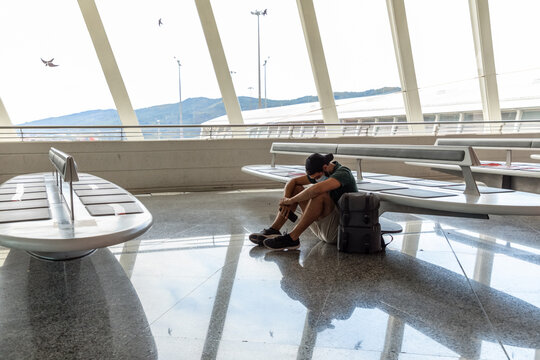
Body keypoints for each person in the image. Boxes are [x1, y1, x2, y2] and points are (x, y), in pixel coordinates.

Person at [249, 152, 358, 251]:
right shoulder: (322, 173)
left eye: (317, 177)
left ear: (325, 167)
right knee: (296, 188)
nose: (316, 180)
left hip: (338, 231)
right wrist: (286, 199)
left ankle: (293, 238)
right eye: (313, 178)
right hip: (321, 228)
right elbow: (292, 181)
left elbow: (316, 189)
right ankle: (274, 229)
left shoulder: (343, 173)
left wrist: (291, 200)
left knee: (320, 195)